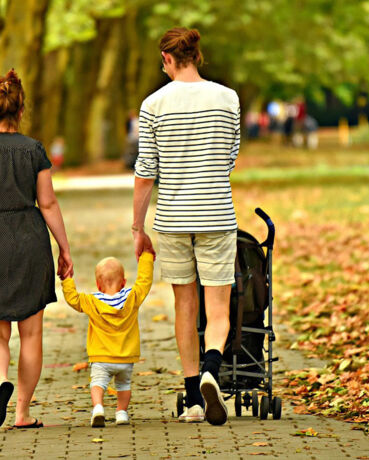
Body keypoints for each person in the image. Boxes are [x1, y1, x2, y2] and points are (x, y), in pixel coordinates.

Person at [131, 27, 240, 426]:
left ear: (167, 59)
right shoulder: (228, 99)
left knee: (184, 304)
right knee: (218, 306)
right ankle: (213, 367)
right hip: (216, 214)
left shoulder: (153, 104)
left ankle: (194, 397)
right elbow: (230, 157)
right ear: (197, 55)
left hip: (173, 220)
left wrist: (137, 225)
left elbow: (146, 171)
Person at [0, 69, 73, 430]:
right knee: (32, 334)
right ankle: (22, 413)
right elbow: (49, 204)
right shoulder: (33, 149)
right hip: (29, 237)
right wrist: (64, 249)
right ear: (21, 111)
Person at [62, 253, 155, 427]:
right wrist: (146, 257)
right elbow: (145, 282)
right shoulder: (132, 297)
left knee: (98, 383)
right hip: (126, 358)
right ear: (123, 282)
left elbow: (72, 299)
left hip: (101, 358)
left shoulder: (91, 301)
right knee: (124, 385)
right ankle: (122, 413)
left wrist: (67, 279)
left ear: (97, 284)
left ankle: (98, 408)